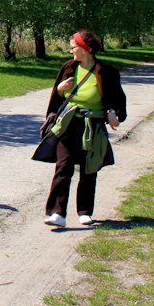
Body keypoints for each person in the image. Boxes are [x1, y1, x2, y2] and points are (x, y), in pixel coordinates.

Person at [43, 30, 127, 228]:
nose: (70, 49)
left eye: (73, 46)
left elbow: (118, 100)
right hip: (69, 123)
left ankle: (85, 212)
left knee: (89, 169)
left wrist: (115, 116)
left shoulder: (106, 72)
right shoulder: (68, 68)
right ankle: (57, 213)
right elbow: (56, 98)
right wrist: (61, 89)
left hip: (93, 126)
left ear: (85, 49)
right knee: (63, 166)